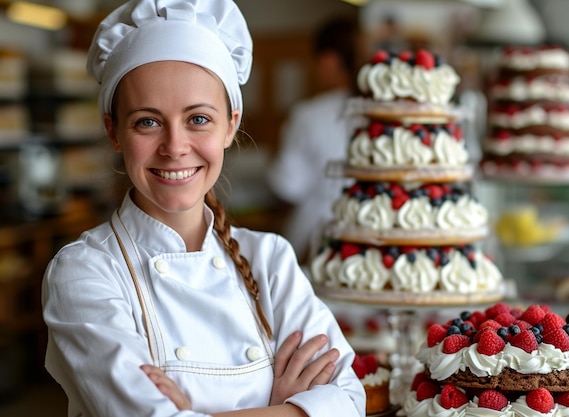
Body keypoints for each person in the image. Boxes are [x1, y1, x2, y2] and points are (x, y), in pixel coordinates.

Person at [41, 1, 365, 416]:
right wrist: (289, 408)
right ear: (114, 130)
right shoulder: (84, 272)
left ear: (230, 125)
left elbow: (350, 402)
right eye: (147, 121)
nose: (175, 147)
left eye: (198, 119)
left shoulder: (270, 260)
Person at [267, 16, 362, 263]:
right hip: (371, 236)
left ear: (329, 61)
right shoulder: (383, 113)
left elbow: (288, 186)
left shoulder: (308, 115)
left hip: (315, 238)